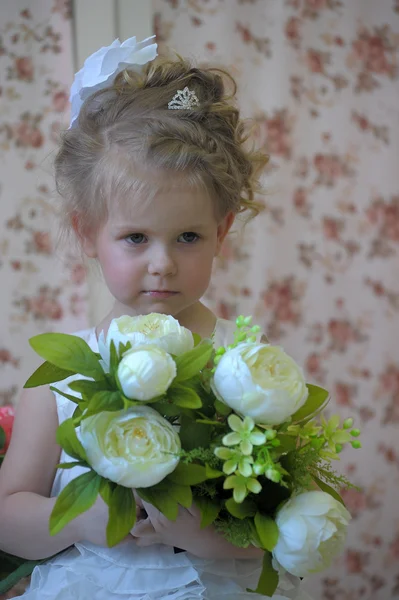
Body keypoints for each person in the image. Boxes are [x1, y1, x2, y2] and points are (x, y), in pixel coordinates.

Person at [0, 36, 312, 599]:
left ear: (221, 231)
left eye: (188, 236)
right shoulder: (59, 376)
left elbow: (287, 526)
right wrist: (76, 519)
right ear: (86, 233)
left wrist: (212, 534)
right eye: (136, 237)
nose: (162, 263)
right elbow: (6, 513)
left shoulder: (248, 371)